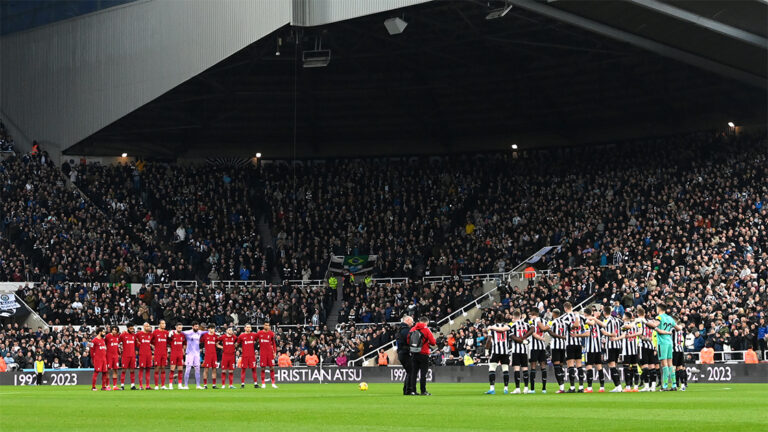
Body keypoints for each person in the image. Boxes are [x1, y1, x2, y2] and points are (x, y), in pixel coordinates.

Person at [648, 303, 678, 391]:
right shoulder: (670, 318)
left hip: (662, 342)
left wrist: (649, 323)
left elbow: (654, 325)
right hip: (669, 342)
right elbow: (678, 328)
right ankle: (674, 384)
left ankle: (664, 385)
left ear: (659, 309)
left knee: (664, 364)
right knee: (670, 364)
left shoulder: (659, 317)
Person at [408, 316, 437, 396]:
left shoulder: (412, 329)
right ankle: (423, 391)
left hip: (414, 353)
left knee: (414, 373)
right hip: (424, 353)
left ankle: (413, 390)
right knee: (423, 373)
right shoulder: (426, 329)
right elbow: (433, 342)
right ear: (426, 322)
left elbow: (408, 340)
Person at [508, 309, 533, 394]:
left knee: (516, 369)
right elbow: (531, 332)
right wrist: (524, 340)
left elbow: (513, 338)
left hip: (516, 350)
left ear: (514, 317)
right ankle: (526, 388)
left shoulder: (512, 326)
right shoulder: (526, 325)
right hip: (524, 350)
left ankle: (518, 388)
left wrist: (521, 340)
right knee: (525, 368)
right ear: (520, 316)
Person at [561, 302, 585, 392]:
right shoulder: (580, 316)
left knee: (570, 365)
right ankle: (581, 387)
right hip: (578, 343)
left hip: (570, 344)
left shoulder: (566, 317)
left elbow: (575, 326)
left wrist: (577, 317)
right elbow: (588, 323)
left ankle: (572, 387)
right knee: (579, 365)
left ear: (565, 308)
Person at [485, 313, 511, 394]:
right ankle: (506, 389)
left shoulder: (492, 328)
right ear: (503, 319)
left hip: (496, 351)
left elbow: (489, 340)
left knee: (492, 369)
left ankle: (492, 389)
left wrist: (486, 350)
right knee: (505, 369)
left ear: (495, 320)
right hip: (505, 352)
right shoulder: (507, 327)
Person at [615, 311, 640, 392]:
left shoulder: (625, 325)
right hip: (634, 350)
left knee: (627, 368)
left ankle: (628, 387)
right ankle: (635, 387)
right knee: (634, 367)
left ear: (626, 317)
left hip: (627, 350)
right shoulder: (635, 325)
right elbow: (639, 332)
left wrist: (616, 339)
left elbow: (626, 330)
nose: (622, 316)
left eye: (623, 315)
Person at [527, 309, 550, 394]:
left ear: (533, 313)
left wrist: (541, 338)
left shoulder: (531, 321)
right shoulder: (544, 321)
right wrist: (544, 339)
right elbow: (548, 330)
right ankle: (544, 389)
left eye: (530, 313)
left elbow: (532, 332)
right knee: (543, 366)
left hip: (534, 347)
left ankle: (532, 389)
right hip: (542, 347)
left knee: (533, 366)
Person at [635, 306, 659, 391]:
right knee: (652, 367)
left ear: (637, 314)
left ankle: (646, 386)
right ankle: (652, 386)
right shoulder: (650, 322)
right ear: (644, 314)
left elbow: (640, 334)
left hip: (643, 346)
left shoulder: (638, 322)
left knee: (644, 367)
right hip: (651, 346)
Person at [602, 306, 623, 391]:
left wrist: (610, 335)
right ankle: (618, 386)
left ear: (604, 312)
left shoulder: (606, 320)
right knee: (614, 365)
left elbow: (602, 330)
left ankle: (618, 386)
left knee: (611, 365)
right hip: (617, 345)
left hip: (610, 345)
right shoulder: (618, 320)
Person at [547, 308, 568, 393]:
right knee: (561, 366)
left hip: (555, 346)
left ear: (553, 314)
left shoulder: (552, 322)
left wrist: (560, 337)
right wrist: (563, 337)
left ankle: (561, 388)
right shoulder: (564, 322)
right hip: (563, 346)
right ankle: (563, 386)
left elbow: (550, 332)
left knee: (556, 366)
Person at [182, 322, 207, 389]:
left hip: (196, 353)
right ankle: (186, 385)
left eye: (197, 326)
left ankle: (198, 385)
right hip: (189, 353)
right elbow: (181, 332)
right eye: (195, 326)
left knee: (197, 369)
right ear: (192, 327)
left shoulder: (199, 332)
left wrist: (211, 331)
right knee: (188, 369)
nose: (196, 328)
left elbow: (206, 332)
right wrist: (173, 331)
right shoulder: (188, 332)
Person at [255, 322, 278, 389]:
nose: (267, 326)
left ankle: (273, 383)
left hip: (270, 353)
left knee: (272, 367)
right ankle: (263, 383)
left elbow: (274, 344)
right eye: (265, 325)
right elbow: (254, 339)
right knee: (263, 368)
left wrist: (274, 352)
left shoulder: (271, 333)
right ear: (263, 325)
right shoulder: (259, 333)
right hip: (263, 353)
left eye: (268, 325)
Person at [396, 315, 415, 395]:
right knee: (411, 371)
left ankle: (407, 390)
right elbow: (410, 340)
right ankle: (408, 390)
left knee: (409, 371)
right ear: (407, 320)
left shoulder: (400, 329)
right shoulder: (406, 330)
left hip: (401, 352)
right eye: (412, 321)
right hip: (405, 352)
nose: (412, 323)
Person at [236, 324, 259, 388]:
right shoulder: (241, 336)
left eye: (249, 327)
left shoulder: (254, 335)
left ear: (251, 328)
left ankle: (255, 384)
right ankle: (242, 384)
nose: (248, 328)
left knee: (254, 369)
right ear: (244, 328)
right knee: (243, 369)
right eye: (247, 327)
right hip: (245, 356)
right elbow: (237, 344)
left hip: (252, 355)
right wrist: (237, 350)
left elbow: (258, 339)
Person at [151, 320, 169, 390]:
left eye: (164, 323)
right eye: (162, 323)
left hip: (164, 353)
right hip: (157, 353)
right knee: (157, 369)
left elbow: (169, 341)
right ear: (159, 324)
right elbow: (151, 340)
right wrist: (153, 346)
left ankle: (163, 385)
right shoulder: (155, 332)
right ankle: (156, 385)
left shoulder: (166, 333)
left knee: (163, 369)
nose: (164, 325)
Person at [671, 315, 688, 391]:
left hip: (674, 350)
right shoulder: (680, 329)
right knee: (680, 368)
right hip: (680, 349)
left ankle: (674, 385)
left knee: (674, 368)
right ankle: (683, 385)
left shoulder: (672, 329)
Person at [168, 323, 186, 389]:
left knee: (180, 369)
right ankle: (170, 384)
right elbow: (168, 341)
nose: (180, 329)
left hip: (180, 354)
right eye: (179, 328)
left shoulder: (182, 335)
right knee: (172, 369)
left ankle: (180, 385)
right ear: (176, 327)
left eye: (181, 328)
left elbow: (184, 344)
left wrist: (183, 350)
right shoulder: (172, 334)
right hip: (173, 353)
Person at [136, 322, 154, 390]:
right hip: (142, 354)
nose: (148, 327)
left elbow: (153, 342)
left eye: (148, 326)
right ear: (144, 327)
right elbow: (134, 339)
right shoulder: (139, 334)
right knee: (141, 369)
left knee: (148, 369)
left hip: (149, 354)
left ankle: (147, 386)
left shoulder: (151, 335)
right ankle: (140, 386)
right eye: (146, 326)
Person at [119, 325, 137, 390]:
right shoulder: (123, 335)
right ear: (128, 328)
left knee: (132, 370)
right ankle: (122, 385)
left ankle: (132, 385)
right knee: (124, 370)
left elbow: (136, 344)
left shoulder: (134, 336)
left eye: (133, 328)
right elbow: (117, 341)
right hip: (125, 356)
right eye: (131, 328)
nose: (132, 329)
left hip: (132, 356)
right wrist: (119, 348)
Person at [201, 324, 219, 389]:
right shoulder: (205, 336)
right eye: (212, 328)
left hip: (214, 355)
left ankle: (214, 385)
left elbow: (217, 343)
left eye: (213, 328)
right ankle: (205, 385)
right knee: (206, 369)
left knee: (214, 369)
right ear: (209, 329)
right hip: (207, 355)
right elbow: (200, 341)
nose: (213, 330)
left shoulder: (215, 336)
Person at [104, 326, 121, 390]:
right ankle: (107, 385)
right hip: (109, 355)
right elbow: (104, 343)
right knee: (108, 370)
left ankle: (114, 386)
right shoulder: (108, 336)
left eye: (115, 330)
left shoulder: (117, 337)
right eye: (113, 329)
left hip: (115, 356)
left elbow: (117, 346)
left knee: (115, 370)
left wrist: (119, 353)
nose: (114, 331)